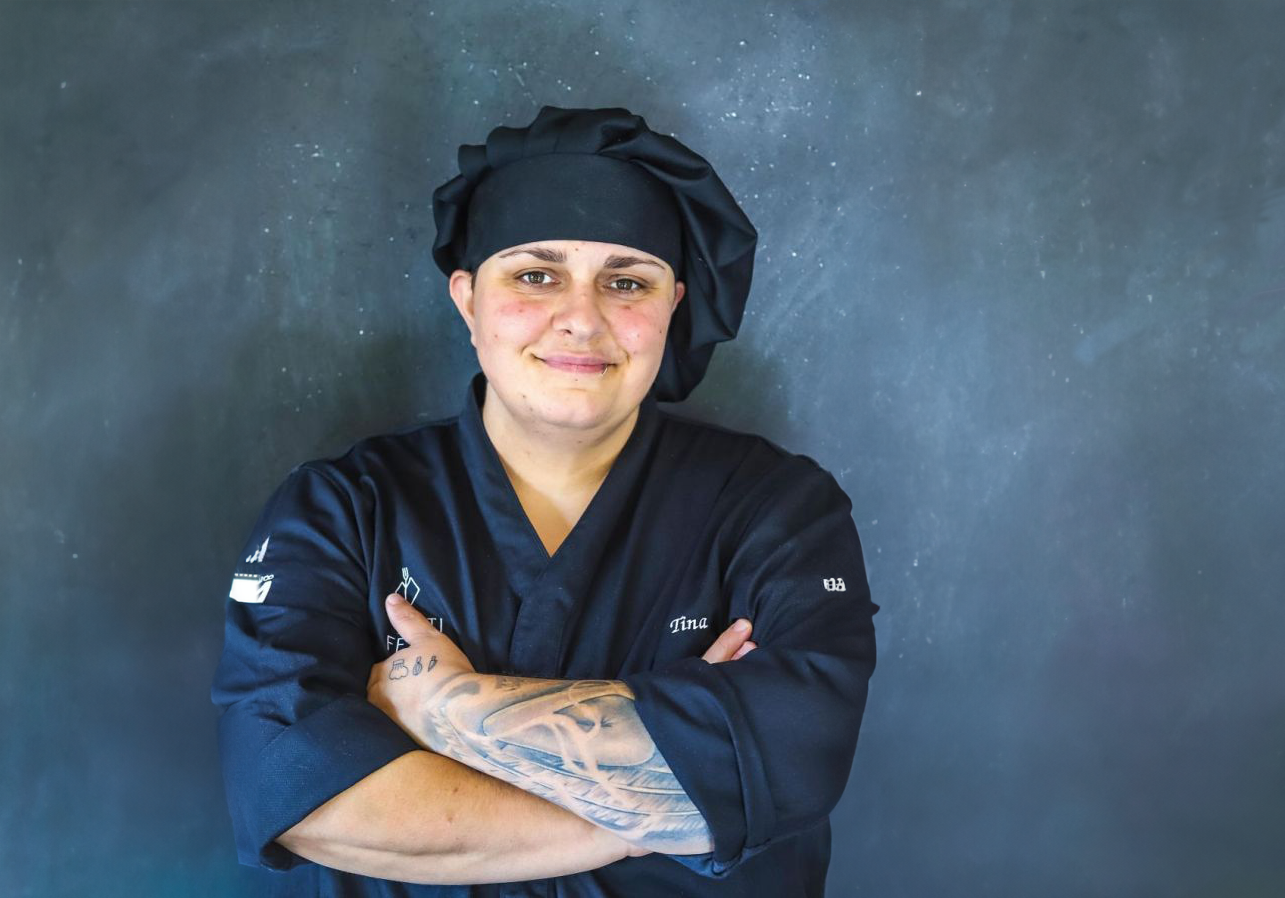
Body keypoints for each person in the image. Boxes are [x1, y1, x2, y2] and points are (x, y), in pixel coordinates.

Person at [211, 105, 879, 896]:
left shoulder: (777, 509)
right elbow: (296, 794)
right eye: (536, 275)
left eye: (626, 282)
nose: (581, 320)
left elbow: (797, 754)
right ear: (467, 299)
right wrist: (664, 802)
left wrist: (447, 707)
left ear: (671, 305)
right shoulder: (343, 509)